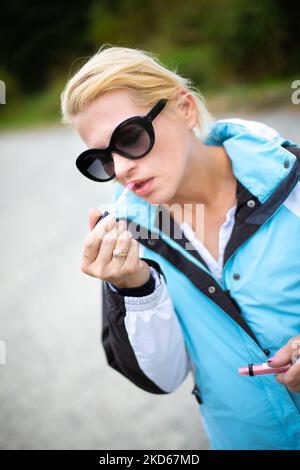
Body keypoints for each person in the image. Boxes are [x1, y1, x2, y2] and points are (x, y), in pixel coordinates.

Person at [60, 45, 300, 450]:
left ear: (185, 108)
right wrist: (135, 287)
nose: (120, 170)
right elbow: (163, 379)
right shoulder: (127, 239)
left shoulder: (292, 180)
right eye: (101, 160)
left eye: (130, 137)